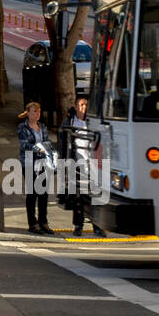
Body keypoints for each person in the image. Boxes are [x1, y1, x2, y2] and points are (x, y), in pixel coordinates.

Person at [61, 96, 105, 238]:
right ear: (75, 107)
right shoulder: (69, 122)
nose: (84, 108)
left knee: (96, 195)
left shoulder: (93, 122)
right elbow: (63, 144)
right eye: (81, 105)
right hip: (77, 164)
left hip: (93, 164)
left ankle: (97, 226)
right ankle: (78, 225)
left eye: (86, 105)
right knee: (78, 197)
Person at [17, 100, 54, 235]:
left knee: (43, 194)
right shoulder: (23, 127)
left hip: (42, 163)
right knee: (32, 194)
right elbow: (24, 144)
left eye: (38, 111)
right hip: (29, 164)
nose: (38, 114)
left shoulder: (43, 127)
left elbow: (47, 142)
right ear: (28, 113)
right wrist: (39, 149)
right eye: (35, 111)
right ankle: (32, 223)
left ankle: (43, 222)